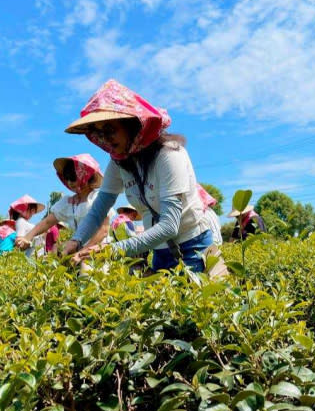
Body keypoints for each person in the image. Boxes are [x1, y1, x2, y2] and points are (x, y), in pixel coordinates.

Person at [60, 79, 214, 273]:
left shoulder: (169, 155)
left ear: (131, 125)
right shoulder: (120, 163)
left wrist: (110, 250)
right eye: (99, 133)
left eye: (110, 130)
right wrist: (76, 240)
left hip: (193, 247)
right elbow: (98, 210)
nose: (105, 139)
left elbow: (169, 225)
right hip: (160, 251)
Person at [16, 154, 112, 252]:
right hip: (79, 248)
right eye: (67, 177)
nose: (69, 182)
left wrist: (83, 252)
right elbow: (47, 222)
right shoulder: (68, 203)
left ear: (85, 175)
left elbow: (103, 231)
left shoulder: (97, 198)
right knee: (56, 251)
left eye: (73, 177)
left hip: (98, 248)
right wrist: (27, 237)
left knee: (85, 264)